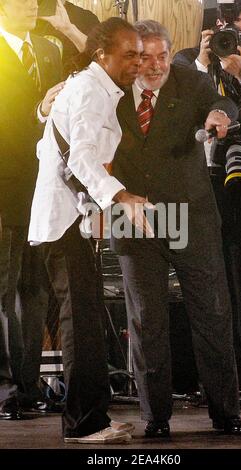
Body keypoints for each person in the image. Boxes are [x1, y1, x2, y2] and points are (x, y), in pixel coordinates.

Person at [110, 19, 241, 436]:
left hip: (191, 212)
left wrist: (219, 115)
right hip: (133, 214)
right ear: (131, 57)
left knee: (212, 312)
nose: (153, 66)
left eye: (161, 56)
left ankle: (226, 413)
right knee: (146, 320)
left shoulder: (191, 81)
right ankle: (155, 419)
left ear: (172, 54)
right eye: (143, 57)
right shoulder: (109, 90)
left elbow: (222, 106)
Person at [28, 17, 147, 444]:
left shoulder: (98, 89)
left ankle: (94, 417)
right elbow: (78, 159)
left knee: (89, 322)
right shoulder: (89, 90)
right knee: (79, 323)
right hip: (63, 224)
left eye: (140, 54)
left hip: (74, 221)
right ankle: (82, 425)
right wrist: (122, 198)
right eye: (129, 54)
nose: (137, 61)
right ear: (103, 54)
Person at [173, 0, 241, 405]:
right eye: (236, 32)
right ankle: (212, 382)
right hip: (200, 186)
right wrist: (202, 61)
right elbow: (173, 108)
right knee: (205, 289)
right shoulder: (187, 60)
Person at [0, 0, 63, 419]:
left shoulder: (48, 50)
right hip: (4, 186)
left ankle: (27, 384)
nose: (28, 7)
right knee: (2, 289)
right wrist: (38, 109)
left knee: (36, 290)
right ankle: (4, 386)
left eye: (31, 1)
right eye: (18, 1)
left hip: (41, 189)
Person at [35, 0, 99, 72]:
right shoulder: (27, 16)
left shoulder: (87, 18)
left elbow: (100, 59)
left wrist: (69, 29)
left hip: (74, 81)